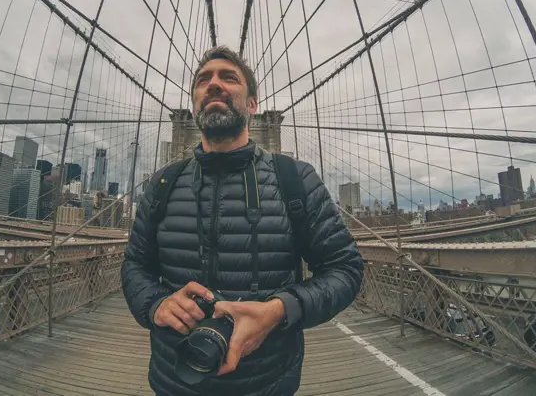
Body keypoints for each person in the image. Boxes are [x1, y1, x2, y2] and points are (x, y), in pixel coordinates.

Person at [122, 45, 364, 396]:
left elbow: (345, 268)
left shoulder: (294, 180)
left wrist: (279, 311)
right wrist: (156, 303)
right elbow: (134, 266)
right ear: (193, 106)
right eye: (204, 79)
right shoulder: (163, 183)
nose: (214, 84)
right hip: (175, 379)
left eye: (229, 78)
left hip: (268, 382)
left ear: (253, 105)